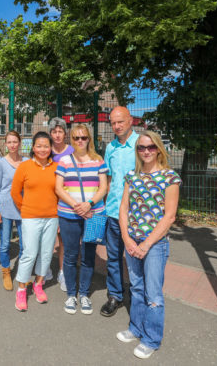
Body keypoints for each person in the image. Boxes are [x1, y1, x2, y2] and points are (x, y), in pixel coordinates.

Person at [116, 131, 181, 359]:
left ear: (159, 149)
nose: (146, 151)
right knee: (136, 288)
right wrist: (127, 238)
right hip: (132, 242)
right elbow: (123, 209)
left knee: (153, 293)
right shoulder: (131, 177)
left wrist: (146, 245)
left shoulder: (169, 177)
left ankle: (151, 339)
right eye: (141, 147)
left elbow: (169, 216)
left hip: (154, 245)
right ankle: (136, 328)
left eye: (151, 147)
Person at [55, 124, 108, 315]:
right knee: (69, 255)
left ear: (89, 139)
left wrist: (89, 204)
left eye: (83, 138)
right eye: (76, 138)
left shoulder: (98, 160)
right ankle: (71, 294)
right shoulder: (64, 161)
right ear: (71, 140)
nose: (79, 141)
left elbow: (103, 187)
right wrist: (77, 206)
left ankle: (84, 293)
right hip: (69, 214)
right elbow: (59, 188)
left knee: (88, 255)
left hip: (93, 214)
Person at [11, 131, 59, 311]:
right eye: (39, 145)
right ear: (33, 147)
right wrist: (24, 208)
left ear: (51, 148)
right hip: (30, 217)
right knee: (30, 253)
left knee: (46, 253)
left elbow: (61, 191)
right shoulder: (24, 167)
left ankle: (38, 284)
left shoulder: (57, 167)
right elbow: (15, 192)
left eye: (46, 146)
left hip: (52, 217)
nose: (42, 149)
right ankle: (22, 289)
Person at [100, 106, 139, 317]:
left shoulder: (142, 145)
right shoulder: (110, 148)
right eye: (113, 123)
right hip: (114, 212)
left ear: (130, 120)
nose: (116, 126)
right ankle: (115, 295)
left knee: (135, 257)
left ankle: (137, 297)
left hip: (137, 215)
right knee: (113, 257)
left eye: (120, 121)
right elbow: (107, 178)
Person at [0, 130, 27, 291]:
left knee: (24, 244)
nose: (13, 145)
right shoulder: (1, 163)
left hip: (23, 208)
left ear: (19, 143)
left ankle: (22, 272)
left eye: (15, 142)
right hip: (5, 208)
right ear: (5, 144)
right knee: (5, 243)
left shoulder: (27, 161)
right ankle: (6, 271)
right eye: (9, 142)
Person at [48, 117, 74, 291]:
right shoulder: (45, 150)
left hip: (66, 200)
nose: (57, 135)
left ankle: (63, 272)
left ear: (65, 133)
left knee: (63, 239)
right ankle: (44, 268)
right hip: (48, 199)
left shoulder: (72, 151)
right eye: (54, 131)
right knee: (47, 238)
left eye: (60, 131)